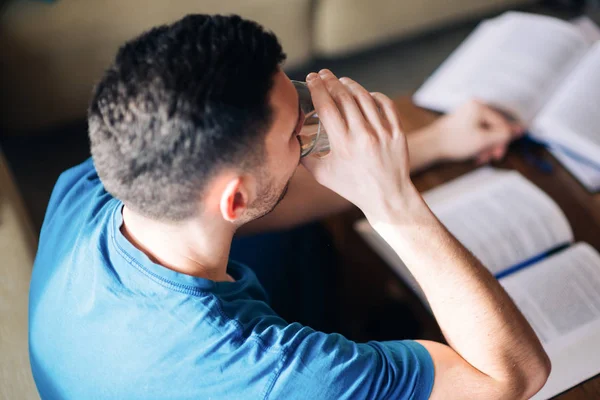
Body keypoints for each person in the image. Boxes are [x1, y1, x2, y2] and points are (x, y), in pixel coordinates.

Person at [29, 14, 550, 399]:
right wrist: (391, 201)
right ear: (232, 197)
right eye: (293, 134)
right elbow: (515, 375)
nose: (308, 129)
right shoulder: (283, 373)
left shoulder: (89, 183)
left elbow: (256, 203)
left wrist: (434, 141)